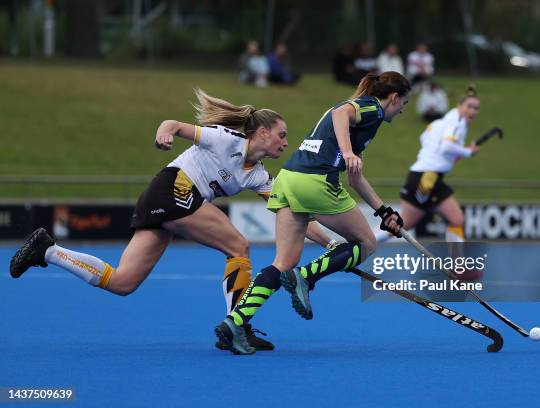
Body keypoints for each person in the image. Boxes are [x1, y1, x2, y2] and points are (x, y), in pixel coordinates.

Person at [9, 88, 334, 351]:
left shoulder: (260, 177)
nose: (286, 142)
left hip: (170, 202)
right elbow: (174, 125)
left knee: (123, 282)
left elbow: (293, 216)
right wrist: (163, 136)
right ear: (262, 133)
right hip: (172, 189)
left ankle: (48, 251)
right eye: (282, 135)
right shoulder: (226, 139)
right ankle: (238, 326)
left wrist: (332, 243)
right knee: (238, 245)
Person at [215, 72, 412, 355]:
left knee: (283, 262)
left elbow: (356, 179)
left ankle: (233, 323)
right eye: (403, 103)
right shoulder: (372, 108)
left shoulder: (365, 126)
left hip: (288, 179)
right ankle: (305, 277)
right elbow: (340, 113)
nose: (403, 109)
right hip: (316, 180)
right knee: (366, 243)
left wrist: (384, 211)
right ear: (393, 97)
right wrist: (346, 153)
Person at [396, 86, 481, 280]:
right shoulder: (457, 121)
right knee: (403, 224)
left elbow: (427, 139)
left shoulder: (443, 122)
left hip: (430, 176)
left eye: (476, 108)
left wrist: (456, 154)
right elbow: (446, 146)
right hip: (426, 178)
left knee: (456, 219)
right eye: (469, 106)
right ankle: (364, 243)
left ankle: (458, 267)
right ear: (460, 105)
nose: (473, 111)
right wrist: (467, 152)